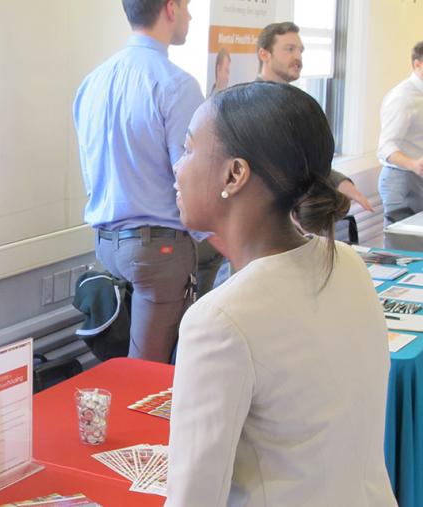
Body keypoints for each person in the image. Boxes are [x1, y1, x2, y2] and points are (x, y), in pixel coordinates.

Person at [165, 82, 395, 506]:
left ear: (234, 174)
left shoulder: (219, 320)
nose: (176, 168)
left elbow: (193, 498)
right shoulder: (346, 263)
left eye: (187, 149)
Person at [73, 0, 201, 363]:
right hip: (156, 252)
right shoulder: (177, 85)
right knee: (147, 375)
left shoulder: (91, 83)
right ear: (171, 8)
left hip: (107, 246)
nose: (190, 15)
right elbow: (190, 181)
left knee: (130, 368)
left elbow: (91, 169)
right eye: (189, 6)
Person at [256, 21, 373, 212]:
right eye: (289, 49)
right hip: (267, 215)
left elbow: (308, 161)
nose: (298, 57)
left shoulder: (300, 104)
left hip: (300, 215)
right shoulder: (249, 106)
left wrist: (340, 183)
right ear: (264, 54)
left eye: (300, 51)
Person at [377, 41, 423, 227]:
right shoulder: (402, 98)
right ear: (417, 64)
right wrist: (413, 164)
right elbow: (385, 146)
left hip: (418, 179)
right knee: (404, 249)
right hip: (403, 180)